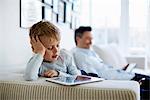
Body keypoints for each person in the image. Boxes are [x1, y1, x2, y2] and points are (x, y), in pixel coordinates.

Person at [71, 26, 150, 99]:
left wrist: (119, 70)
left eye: (92, 39)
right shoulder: (79, 55)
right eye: (88, 38)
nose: (91, 42)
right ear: (78, 39)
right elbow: (92, 75)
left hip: (121, 74)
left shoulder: (90, 51)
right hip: (122, 80)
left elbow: (103, 67)